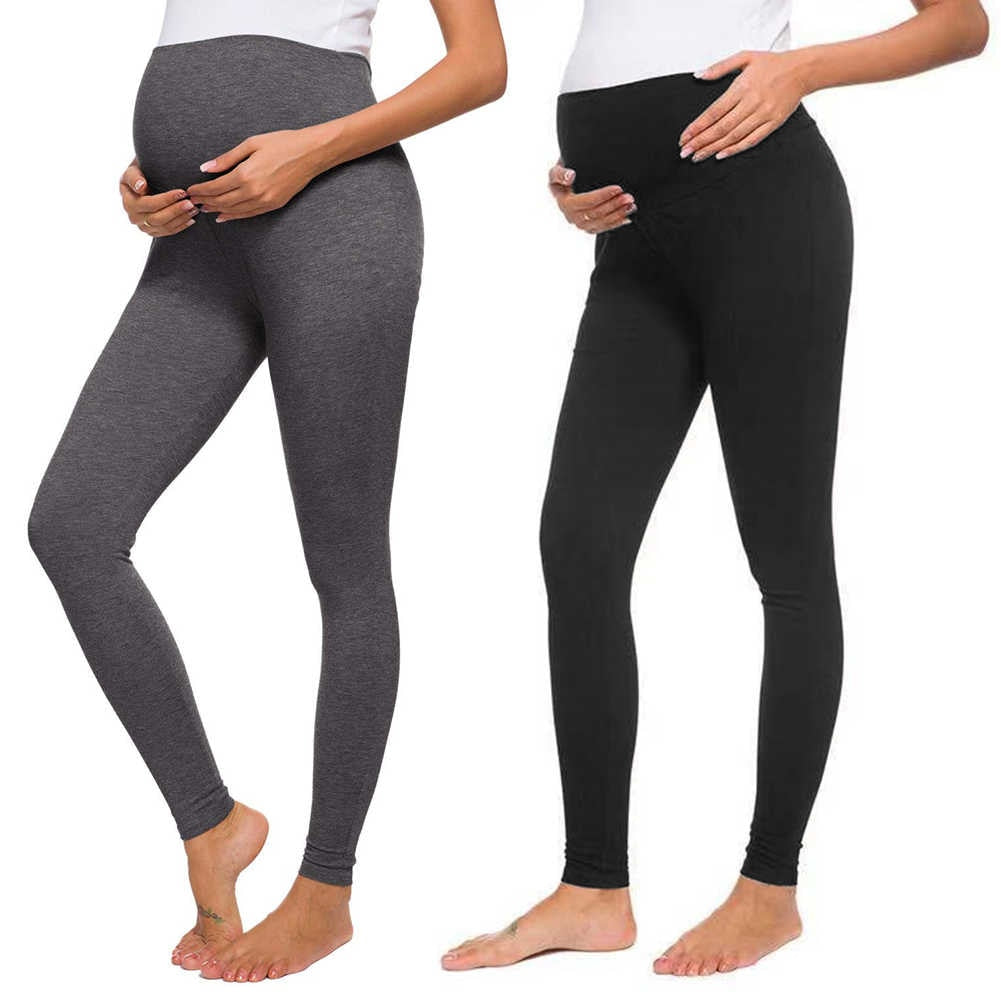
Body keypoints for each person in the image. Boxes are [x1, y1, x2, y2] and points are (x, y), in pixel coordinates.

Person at [442, 0, 987, 977]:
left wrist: (800, 69)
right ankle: (592, 888)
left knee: (785, 555)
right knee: (579, 544)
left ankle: (768, 888)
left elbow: (960, 24)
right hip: (629, 235)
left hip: (760, 207)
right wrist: (578, 170)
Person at [28, 0, 505, 983]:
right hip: (195, 241)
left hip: (335, 217)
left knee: (344, 563)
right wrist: (148, 174)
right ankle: (212, 821)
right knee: (72, 523)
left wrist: (309, 148)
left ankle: (325, 890)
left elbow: (480, 66)